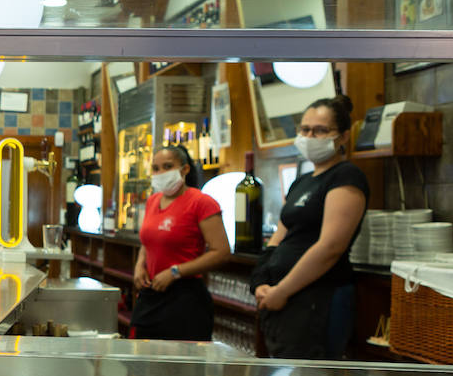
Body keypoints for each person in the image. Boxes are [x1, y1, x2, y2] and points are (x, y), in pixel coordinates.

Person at [250, 94, 369, 358]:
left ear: (343, 137)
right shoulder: (301, 182)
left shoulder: (346, 177)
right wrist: (260, 281)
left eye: (320, 130)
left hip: (317, 298)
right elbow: (277, 238)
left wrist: (282, 290)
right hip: (282, 301)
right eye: (305, 129)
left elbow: (330, 247)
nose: (309, 136)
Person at [131, 144, 231, 341]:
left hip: (185, 299)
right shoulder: (153, 201)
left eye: (167, 166)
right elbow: (149, 240)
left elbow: (222, 252)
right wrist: (139, 265)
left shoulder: (202, 202)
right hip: (150, 295)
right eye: (156, 168)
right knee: (140, 365)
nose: (160, 173)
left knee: (180, 369)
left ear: (184, 169)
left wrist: (175, 272)